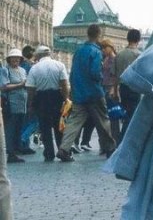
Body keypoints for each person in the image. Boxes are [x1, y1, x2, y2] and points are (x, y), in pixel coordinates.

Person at [56, 24, 117, 162]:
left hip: (79, 93)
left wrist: (73, 91)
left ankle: (64, 149)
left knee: (74, 121)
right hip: (94, 92)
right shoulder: (96, 52)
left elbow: (73, 73)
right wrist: (101, 79)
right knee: (103, 120)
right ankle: (110, 148)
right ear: (99, 35)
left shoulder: (78, 51)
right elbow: (95, 73)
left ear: (88, 34)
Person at [24, 46, 69, 162]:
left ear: (38, 56)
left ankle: (49, 153)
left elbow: (30, 89)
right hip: (56, 97)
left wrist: (30, 104)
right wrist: (66, 99)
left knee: (45, 127)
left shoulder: (34, 68)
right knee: (59, 126)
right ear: (50, 54)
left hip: (41, 98)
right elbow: (64, 84)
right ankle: (62, 151)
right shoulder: (59, 65)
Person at [113, 29, 142, 140]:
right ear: (138, 40)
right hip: (135, 88)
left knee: (125, 114)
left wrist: (115, 91)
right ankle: (123, 139)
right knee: (132, 115)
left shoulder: (119, 55)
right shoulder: (139, 55)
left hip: (123, 88)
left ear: (127, 38)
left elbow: (115, 75)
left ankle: (122, 138)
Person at [0, 49, 28, 163]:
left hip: (22, 104)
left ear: (21, 59)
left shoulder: (22, 70)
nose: (15, 59)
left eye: (18, 58)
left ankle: (15, 151)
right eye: (13, 57)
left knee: (18, 128)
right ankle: (10, 153)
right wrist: (20, 85)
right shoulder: (5, 70)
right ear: (9, 59)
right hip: (11, 104)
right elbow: (3, 87)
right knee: (10, 128)